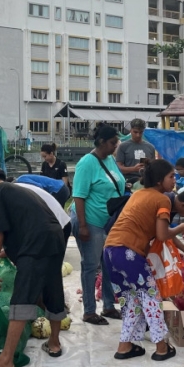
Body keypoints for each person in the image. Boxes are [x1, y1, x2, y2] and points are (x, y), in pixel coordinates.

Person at [0, 166, 68, 367]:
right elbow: (26, 226)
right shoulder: (19, 191)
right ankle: (54, 343)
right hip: (55, 237)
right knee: (53, 287)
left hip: (36, 244)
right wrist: (1, 255)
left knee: (22, 296)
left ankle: (5, 360)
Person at [104, 159, 184, 362]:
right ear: (160, 179)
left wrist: (181, 245)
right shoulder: (163, 200)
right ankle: (162, 347)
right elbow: (162, 235)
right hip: (130, 252)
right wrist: (182, 228)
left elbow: (155, 231)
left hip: (111, 251)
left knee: (132, 300)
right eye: (171, 176)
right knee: (152, 298)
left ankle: (125, 346)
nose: (174, 180)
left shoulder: (138, 194)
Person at [70, 124, 124, 325]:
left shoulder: (110, 160)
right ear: (101, 142)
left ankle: (109, 306)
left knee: (109, 264)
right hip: (90, 220)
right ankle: (89, 311)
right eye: (112, 143)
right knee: (91, 265)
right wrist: (83, 226)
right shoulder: (87, 163)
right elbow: (79, 196)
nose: (114, 147)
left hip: (107, 221)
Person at [116, 118, 156, 188]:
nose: (138, 135)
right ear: (130, 130)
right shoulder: (123, 146)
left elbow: (154, 167)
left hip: (146, 183)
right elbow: (118, 168)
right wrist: (133, 169)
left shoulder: (150, 147)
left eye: (140, 132)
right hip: (128, 182)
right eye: (135, 132)